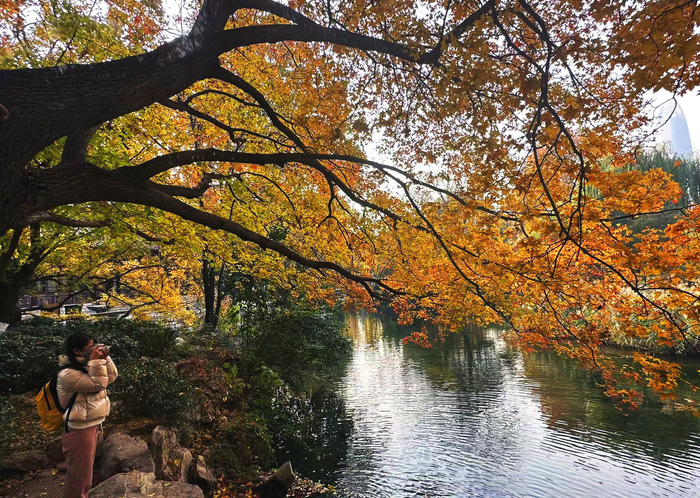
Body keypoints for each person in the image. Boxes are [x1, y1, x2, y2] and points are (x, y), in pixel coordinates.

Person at [56, 333, 118, 498]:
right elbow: (98, 384)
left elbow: (111, 377)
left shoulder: (87, 365)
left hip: (90, 424)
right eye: (90, 347)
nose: (94, 349)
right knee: (79, 477)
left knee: (85, 473)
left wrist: (105, 359)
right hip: (79, 429)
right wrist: (96, 361)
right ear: (76, 351)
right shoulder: (67, 374)